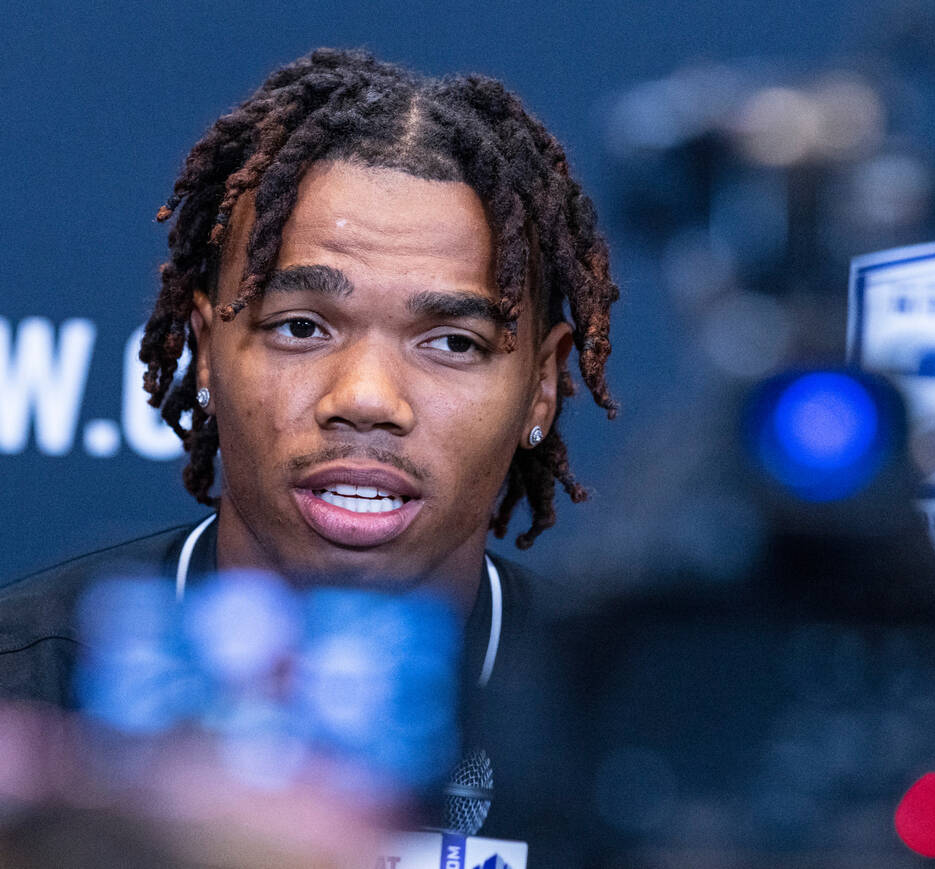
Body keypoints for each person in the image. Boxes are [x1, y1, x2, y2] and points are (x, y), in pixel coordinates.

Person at [0, 47, 619, 835]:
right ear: (207, 357)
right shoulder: (27, 703)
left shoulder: (634, 739)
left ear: (542, 384)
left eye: (452, 342)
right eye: (301, 327)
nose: (365, 398)